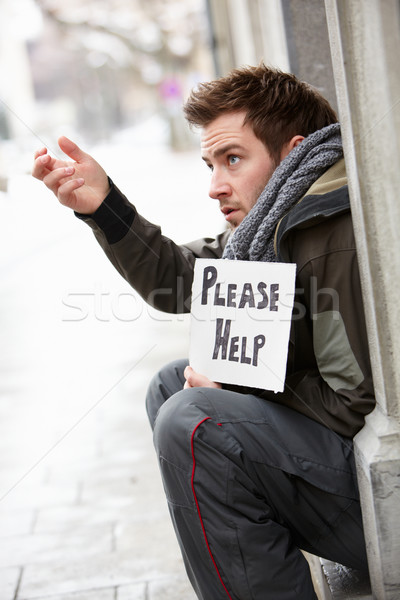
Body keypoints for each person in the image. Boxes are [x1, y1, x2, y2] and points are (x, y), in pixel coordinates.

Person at [32, 64, 374, 600]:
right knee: (172, 386)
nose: (215, 186)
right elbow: (180, 281)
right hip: (340, 474)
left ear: (292, 152)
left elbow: (354, 403)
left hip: (378, 499)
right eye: (210, 164)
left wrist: (246, 387)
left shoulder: (328, 230)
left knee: (193, 419)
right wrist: (104, 207)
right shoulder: (270, 225)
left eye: (232, 159)